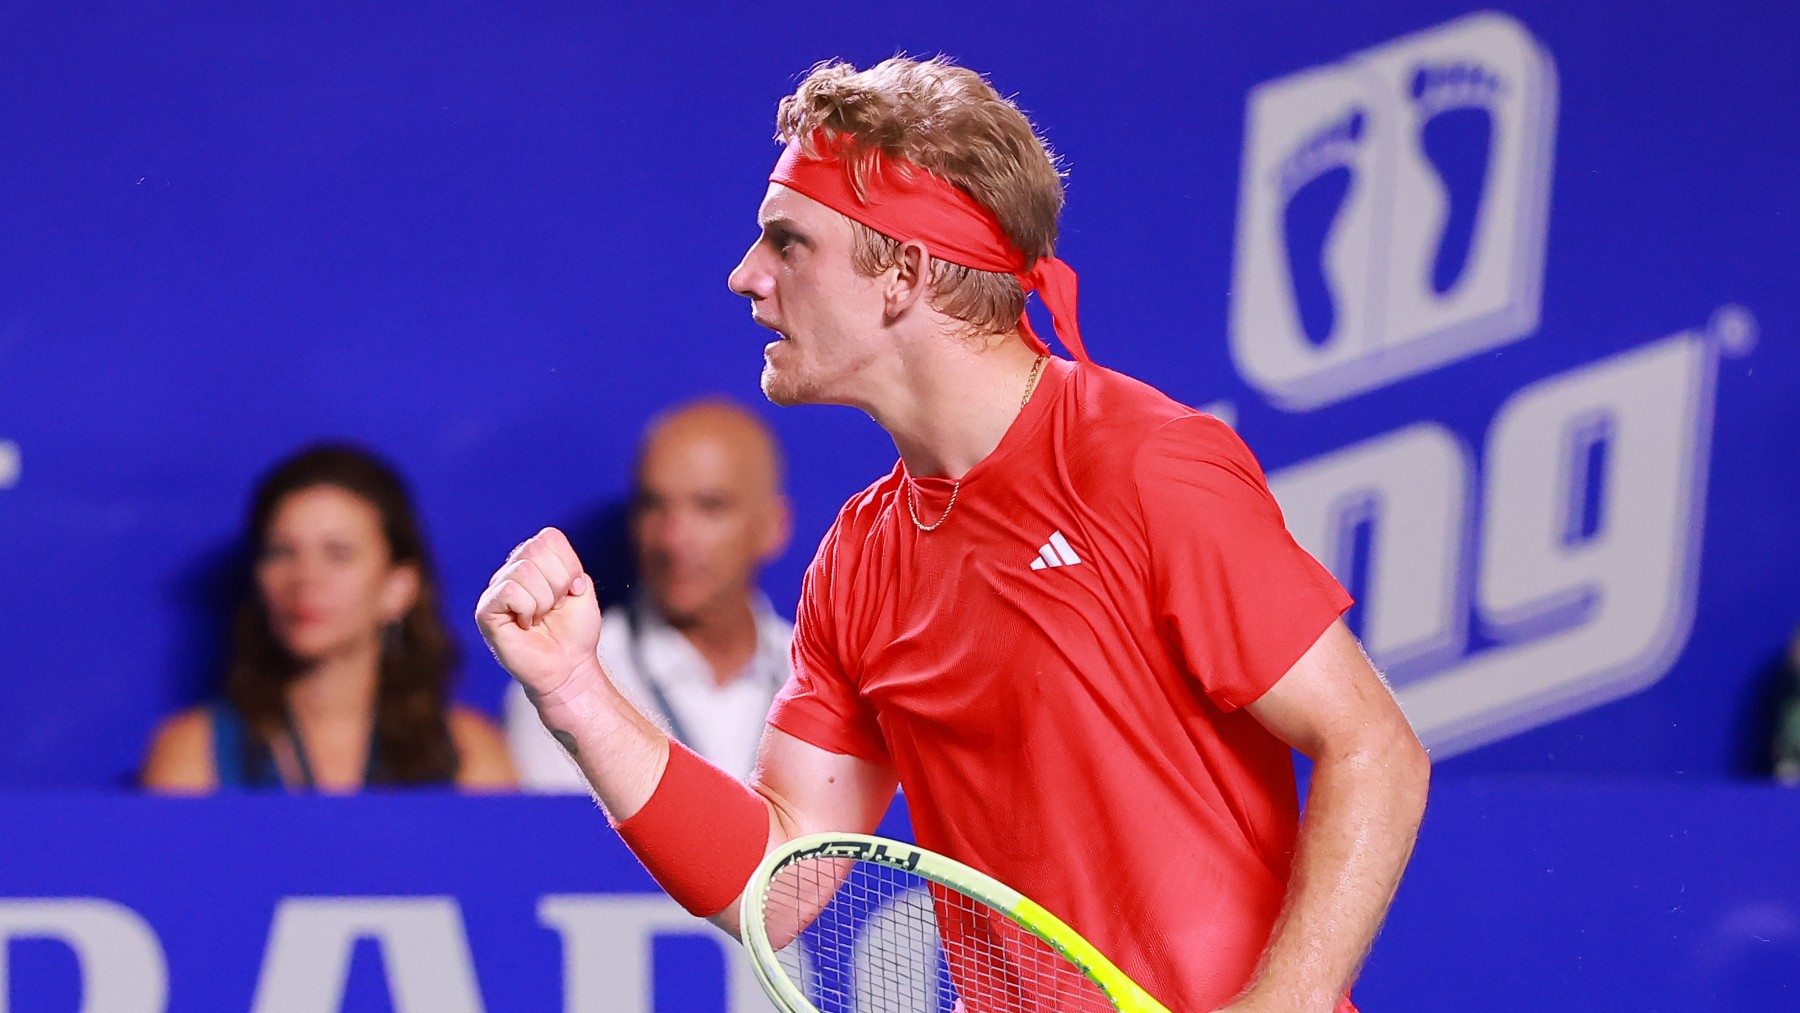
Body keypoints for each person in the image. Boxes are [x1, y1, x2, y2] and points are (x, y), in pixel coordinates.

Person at [478, 57, 1429, 1012]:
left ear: (904, 273)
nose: (746, 276)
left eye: (788, 241)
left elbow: (1375, 750)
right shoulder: (860, 558)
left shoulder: (1147, 465)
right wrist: (574, 692)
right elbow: (780, 878)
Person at [144, 443, 515, 793]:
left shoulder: (473, 757)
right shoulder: (193, 753)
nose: (305, 579)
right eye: (281, 552)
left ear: (398, 587)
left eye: (338, 553)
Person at [503, 398, 794, 788]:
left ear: (773, 526)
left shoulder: (831, 682)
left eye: (710, 507)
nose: (674, 540)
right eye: (653, 506)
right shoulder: (563, 683)